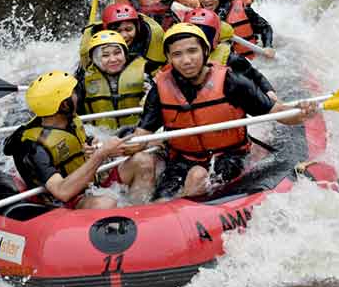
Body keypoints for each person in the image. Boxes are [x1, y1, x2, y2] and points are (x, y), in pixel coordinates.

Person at [124, 23, 317, 199]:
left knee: (198, 177)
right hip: (182, 160)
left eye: (192, 51)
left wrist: (301, 113)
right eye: (177, 55)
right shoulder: (160, 89)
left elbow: (278, 113)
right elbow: (142, 136)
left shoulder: (232, 82)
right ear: (169, 58)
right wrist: (112, 147)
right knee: (163, 198)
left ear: (205, 51)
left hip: (229, 157)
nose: (186, 60)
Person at [3, 71, 155, 208]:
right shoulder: (32, 146)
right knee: (104, 203)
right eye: (73, 93)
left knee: (143, 161)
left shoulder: (70, 120)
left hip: (90, 183)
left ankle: (137, 213)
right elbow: (62, 191)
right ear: (64, 105)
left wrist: (91, 145)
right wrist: (101, 154)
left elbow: (76, 145)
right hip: (66, 201)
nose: (78, 96)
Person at [183, 8, 278, 102]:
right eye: (193, 36)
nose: (200, 42)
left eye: (206, 35)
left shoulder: (232, 59)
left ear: (216, 37)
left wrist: (268, 91)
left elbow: (255, 76)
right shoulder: (178, 61)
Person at [191, 0, 275, 59]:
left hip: (249, 62)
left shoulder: (244, 10)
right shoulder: (196, 17)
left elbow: (265, 27)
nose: (206, 0)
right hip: (220, 63)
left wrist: (268, 46)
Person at [74, 30, 147, 134]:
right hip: (100, 136)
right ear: (94, 59)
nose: (113, 59)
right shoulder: (82, 81)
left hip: (137, 133)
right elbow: (74, 116)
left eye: (117, 53)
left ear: (125, 54)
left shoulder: (143, 74)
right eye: (105, 55)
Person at [101, 2, 165, 76]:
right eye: (118, 31)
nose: (124, 35)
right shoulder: (95, 43)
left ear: (137, 28)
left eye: (128, 29)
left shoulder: (153, 36)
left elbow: (159, 66)